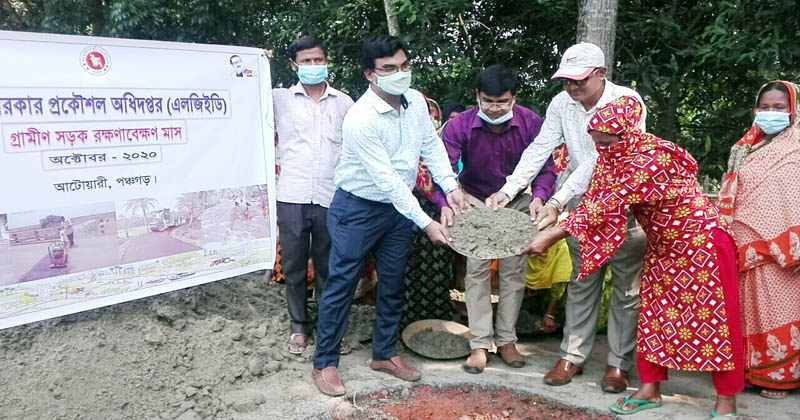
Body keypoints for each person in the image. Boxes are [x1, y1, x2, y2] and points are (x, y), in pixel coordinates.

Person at [523, 96, 744, 416]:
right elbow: (593, 200)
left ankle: (726, 401)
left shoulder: (650, 159)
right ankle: (650, 389)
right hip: (663, 248)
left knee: (717, 322)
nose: (600, 148)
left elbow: (605, 207)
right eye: (595, 142)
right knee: (653, 319)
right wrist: (554, 212)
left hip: (702, 245)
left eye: (605, 142)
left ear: (626, 135)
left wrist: (552, 234)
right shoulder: (612, 158)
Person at [311, 35, 470, 397]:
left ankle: (384, 354)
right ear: (370, 74)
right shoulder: (361, 119)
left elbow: (431, 145)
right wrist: (427, 222)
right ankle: (325, 362)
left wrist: (452, 187)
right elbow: (387, 181)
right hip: (358, 209)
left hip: (398, 212)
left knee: (394, 283)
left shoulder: (415, 103)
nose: (400, 74)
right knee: (341, 285)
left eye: (404, 66)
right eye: (389, 69)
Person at [486, 42, 647, 393]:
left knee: (625, 290)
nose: (572, 88)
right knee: (581, 281)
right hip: (581, 206)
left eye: (580, 81)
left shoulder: (627, 102)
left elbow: (597, 159)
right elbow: (541, 147)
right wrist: (509, 189)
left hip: (624, 207)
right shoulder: (562, 104)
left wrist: (557, 200)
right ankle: (572, 356)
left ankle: (618, 365)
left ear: (601, 73)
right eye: (566, 81)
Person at [439, 64, 556, 374]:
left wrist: (541, 197)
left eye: (502, 102)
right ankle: (479, 344)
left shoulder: (531, 122)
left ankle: (507, 341)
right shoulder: (458, 126)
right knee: (476, 270)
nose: (494, 108)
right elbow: (444, 171)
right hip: (472, 198)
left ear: (513, 99)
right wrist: (451, 198)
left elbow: (546, 167)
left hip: (517, 200)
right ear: (477, 96)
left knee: (514, 270)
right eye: (488, 101)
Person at [272, 36, 354, 356]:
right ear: (294, 65)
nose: (312, 66)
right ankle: (298, 327)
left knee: (328, 267)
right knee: (292, 266)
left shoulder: (345, 103)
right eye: (305, 61)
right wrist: (252, 61)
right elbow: (238, 91)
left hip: (330, 196)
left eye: (318, 60)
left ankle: (329, 329)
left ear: (326, 61)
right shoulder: (279, 98)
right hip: (291, 193)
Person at [718, 80, 800, 399]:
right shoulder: (745, 147)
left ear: (792, 110)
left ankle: (781, 377)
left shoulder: (797, 145)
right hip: (744, 241)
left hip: (783, 248)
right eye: (764, 107)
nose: (770, 113)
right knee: (748, 312)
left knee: (779, 310)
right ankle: (752, 370)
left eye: (778, 108)